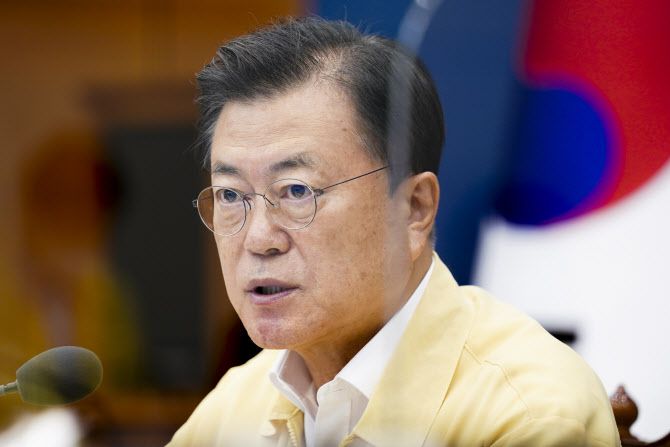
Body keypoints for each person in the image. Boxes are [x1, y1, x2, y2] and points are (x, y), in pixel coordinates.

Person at [169, 17, 620, 447]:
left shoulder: (529, 413)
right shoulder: (234, 406)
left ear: (414, 208)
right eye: (231, 195)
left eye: (296, 191)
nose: (258, 238)